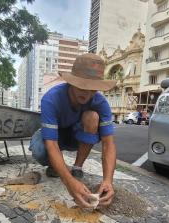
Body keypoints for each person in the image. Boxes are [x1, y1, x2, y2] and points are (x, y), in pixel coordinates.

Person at [29, 53, 117, 208]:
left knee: (92, 117)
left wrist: (108, 180)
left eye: (93, 89)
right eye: (82, 86)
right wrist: (69, 182)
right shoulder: (51, 99)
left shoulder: (101, 103)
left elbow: (108, 144)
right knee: (40, 151)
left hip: (76, 136)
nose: (87, 93)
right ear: (72, 82)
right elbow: (51, 144)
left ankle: (77, 167)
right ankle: (56, 166)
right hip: (53, 136)